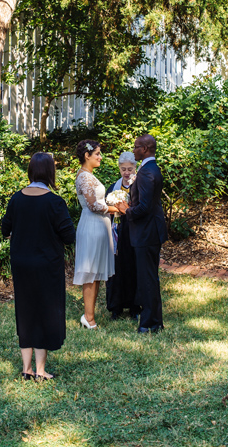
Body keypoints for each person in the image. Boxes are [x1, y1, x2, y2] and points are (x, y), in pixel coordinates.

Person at [1, 152, 76, 380]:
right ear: (50, 173)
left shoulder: (16, 198)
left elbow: (5, 229)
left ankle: (26, 369)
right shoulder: (54, 202)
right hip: (47, 265)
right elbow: (69, 236)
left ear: (31, 171)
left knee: (25, 311)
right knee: (44, 311)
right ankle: (41, 370)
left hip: (21, 263)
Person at [116, 134, 167, 333]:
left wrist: (126, 210)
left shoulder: (146, 172)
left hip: (146, 232)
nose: (134, 149)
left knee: (147, 278)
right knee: (150, 277)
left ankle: (149, 324)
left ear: (145, 149)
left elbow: (144, 207)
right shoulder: (153, 169)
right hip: (151, 231)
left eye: (136, 147)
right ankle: (155, 321)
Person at [74, 139, 121, 329]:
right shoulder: (84, 177)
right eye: (97, 154)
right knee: (90, 272)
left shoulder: (90, 175)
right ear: (87, 156)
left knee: (96, 273)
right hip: (91, 226)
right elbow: (93, 205)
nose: (100, 157)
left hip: (99, 226)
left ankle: (90, 315)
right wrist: (116, 208)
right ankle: (88, 317)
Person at [105, 152, 141, 320]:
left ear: (136, 168)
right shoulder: (114, 187)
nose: (126, 172)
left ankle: (134, 306)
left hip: (134, 230)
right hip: (117, 230)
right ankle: (116, 306)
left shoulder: (140, 186)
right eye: (123, 169)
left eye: (130, 168)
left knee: (133, 267)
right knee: (116, 268)